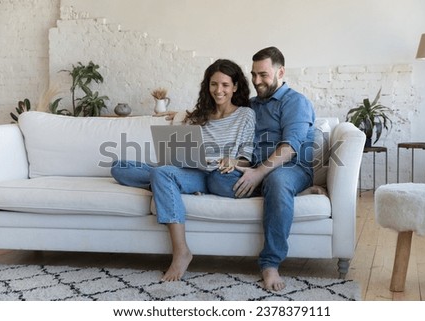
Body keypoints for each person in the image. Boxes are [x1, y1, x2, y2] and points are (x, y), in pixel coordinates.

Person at [111, 59, 255, 281]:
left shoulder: (246, 114)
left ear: (235, 86)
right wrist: (181, 124)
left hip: (219, 175)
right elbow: (180, 149)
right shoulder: (199, 115)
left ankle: (181, 252)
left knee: (162, 174)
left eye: (225, 85)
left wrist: (234, 161)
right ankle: (167, 184)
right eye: (214, 84)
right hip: (193, 171)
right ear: (207, 86)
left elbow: (247, 158)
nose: (219, 90)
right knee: (120, 168)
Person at [207, 47, 315, 291]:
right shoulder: (251, 105)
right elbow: (221, 113)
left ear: (281, 72)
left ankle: (270, 263)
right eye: (253, 74)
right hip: (254, 168)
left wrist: (258, 173)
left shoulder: (295, 102)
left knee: (277, 183)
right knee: (215, 178)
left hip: (290, 168)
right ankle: (282, 197)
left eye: (263, 75)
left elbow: (289, 148)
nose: (257, 81)